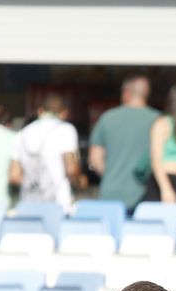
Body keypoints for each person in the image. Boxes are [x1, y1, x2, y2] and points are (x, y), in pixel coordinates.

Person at [89, 76, 158, 208]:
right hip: (147, 196)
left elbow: (95, 160)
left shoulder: (107, 118)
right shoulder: (159, 121)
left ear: (126, 92)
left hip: (111, 193)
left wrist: (112, 173)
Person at [10, 93, 83, 207]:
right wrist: (80, 182)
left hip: (27, 203)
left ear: (40, 111)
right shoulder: (66, 130)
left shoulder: (22, 133)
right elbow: (71, 169)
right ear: (64, 113)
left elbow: (14, 176)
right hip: (58, 203)